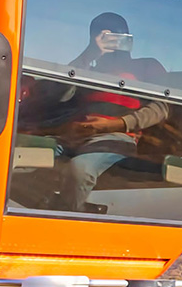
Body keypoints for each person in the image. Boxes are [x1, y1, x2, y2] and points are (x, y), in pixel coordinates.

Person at [34, 12, 173, 211]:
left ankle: (64, 222)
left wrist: (112, 125)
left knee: (80, 170)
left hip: (115, 138)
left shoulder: (145, 66)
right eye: (102, 36)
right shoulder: (87, 70)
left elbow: (161, 107)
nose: (112, 41)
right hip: (72, 136)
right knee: (17, 156)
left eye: (117, 35)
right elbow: (57, 94)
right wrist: (87, 55)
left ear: (128, 38)